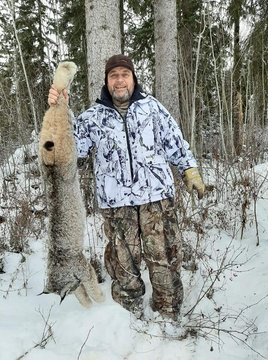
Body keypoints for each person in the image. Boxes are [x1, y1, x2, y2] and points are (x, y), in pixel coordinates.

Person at [48, 54, 205, 321]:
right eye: (113, 76)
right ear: (107, 82)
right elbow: (72, 148)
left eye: (124, 74)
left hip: (156, 199)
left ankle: (168, 313)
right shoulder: (94, 116)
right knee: (123, 266)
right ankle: (129, 318)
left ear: (133, 78)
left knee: (164, 258)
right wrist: (61, 110)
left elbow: (174, 140)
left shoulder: (152, 108)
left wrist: (189, 170)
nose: (119, 80)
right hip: (116, 205)